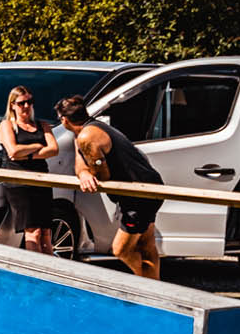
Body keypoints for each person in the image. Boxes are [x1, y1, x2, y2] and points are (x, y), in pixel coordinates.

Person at [56, 96, 165, 279]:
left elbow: (102, 175)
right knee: (146, 244)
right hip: (150, 187)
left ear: (64, 120)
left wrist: (88, 171)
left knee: (121, 249)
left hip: (138, 196)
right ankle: (154, 285)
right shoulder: (92, 128)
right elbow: (82, 162)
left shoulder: (87, 137)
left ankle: (147, 284)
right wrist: (83, 172)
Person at [0, 86, 58, 254]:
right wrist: (38, 145)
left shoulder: (42, 125)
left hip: (42, 180)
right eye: (21, 103)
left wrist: (28, 155)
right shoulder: (7, 125)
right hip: (20, 183)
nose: (26, 106)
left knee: (46, 233)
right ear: (12, 105)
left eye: (29, 102)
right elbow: (13, 152)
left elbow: (54, 149)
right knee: (33, 232)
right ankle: (35, 268)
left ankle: (49, 268)